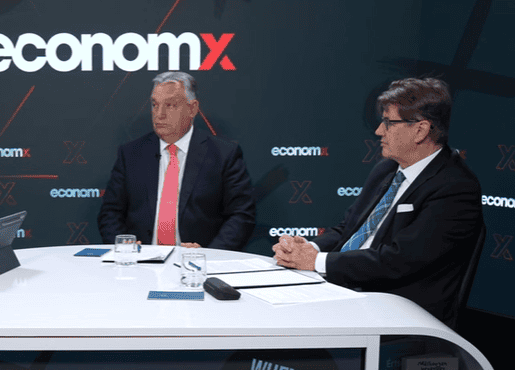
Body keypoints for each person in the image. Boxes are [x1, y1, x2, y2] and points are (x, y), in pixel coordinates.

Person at [272, 77, 483, 328]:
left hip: (397, 314)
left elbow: (399, 261)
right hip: (344, 290)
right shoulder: (386, 169)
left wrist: (316, 261)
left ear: (420, 130)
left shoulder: (455, 188)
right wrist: (309, 248)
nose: (379, 131)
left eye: (389, 123)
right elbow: (348, 229)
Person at [97, 72, 255, 251]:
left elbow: (241, 215)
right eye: (155, 105)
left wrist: (210, 254)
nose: (159, 114)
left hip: (199, 260)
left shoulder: (223, 154)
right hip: (141, 260)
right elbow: (110, 213)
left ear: (192, 109)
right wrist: (125, 247)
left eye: (170, 105)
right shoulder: (131, 153)